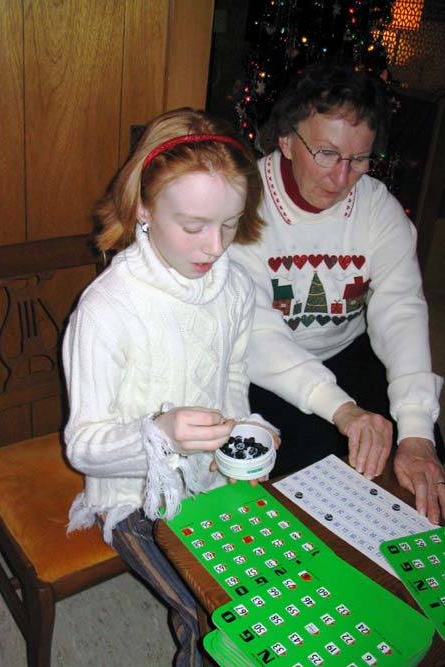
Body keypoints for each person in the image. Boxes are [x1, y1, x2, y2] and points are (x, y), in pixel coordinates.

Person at [62, 107, 279, 666]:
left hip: (210, 476)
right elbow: (82, 446)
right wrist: (159, 434)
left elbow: (231, 379)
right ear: (142, 207)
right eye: (193, 226)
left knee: (273, 583)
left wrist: (245, 429)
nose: (215, 247)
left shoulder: (230, 287)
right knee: (209, 612)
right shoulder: (107, 308)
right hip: (132, 493)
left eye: (229, 225)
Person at [229, 60, 445, 524]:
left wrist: (416, 433)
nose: (343, 176)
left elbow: (400, 312)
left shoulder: (378, 208)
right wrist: (342, 410)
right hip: (261, 369)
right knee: (299, 492)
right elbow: (255, 332)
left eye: (359, 159)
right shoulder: (242, 204)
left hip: (346, 352)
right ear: (286, 140)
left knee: (420, 463)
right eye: (326, 153)